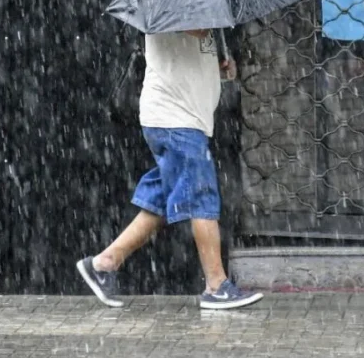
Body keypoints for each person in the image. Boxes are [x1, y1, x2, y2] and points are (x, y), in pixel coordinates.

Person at [77, 29, 264, 310]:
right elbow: (193, 32)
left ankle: (104, 264)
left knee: (163, 198)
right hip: (175, 119)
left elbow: (189, 57)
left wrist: (218, 66)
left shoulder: (197, 10)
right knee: (201, 194)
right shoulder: (176, 10)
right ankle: (216, 285)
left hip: (186, 118)